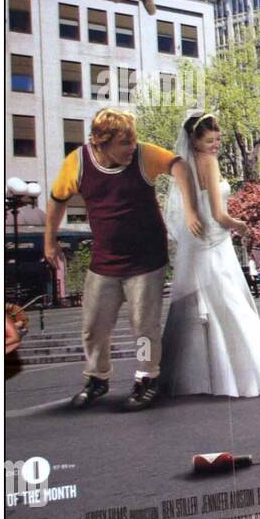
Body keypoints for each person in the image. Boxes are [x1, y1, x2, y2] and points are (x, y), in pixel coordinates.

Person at [45, 107, 202, 411]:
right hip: (104, 261)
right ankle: (97, 378)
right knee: (94, 325)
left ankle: (146, 377)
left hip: (146, 260)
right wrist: (49, 241)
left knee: (144, 326)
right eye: (124, 143)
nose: (131, 147)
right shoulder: (77, 163)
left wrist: (191, 210)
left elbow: (180, 167)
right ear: (98, 143)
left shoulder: (143, 156)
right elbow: (56, 200)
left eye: (133, 141)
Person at [159, 112, 260, 398]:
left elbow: (191, 208)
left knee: (202, 307)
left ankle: (190, 377)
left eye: (218, 139)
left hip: (200, 243)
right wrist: (239, 225)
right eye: (210, 140)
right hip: (215, 242)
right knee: (230, 305)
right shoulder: (209, 164)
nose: (216, 145)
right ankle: (248, 375)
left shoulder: (185, 167)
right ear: (195, 140)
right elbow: (217, 213)